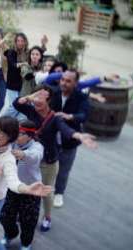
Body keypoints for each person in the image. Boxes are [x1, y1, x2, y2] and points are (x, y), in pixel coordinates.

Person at [13, 86, 98, 232]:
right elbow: (16, 104)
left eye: (42, 97)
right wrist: (28, 97)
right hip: (30, 158)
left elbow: (66, 130)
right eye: (36, 96)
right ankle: (21, 214)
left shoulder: (55, 118)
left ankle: (47, 217)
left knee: (46, 192)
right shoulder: (31, 110)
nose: (37, 100)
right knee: (25, 188)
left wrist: (79, 136)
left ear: (49, 100)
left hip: (48, 162)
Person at [0, 116, 52, 250]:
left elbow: (13, 181)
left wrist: (28, 188)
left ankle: (25, 244)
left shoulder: (11, 156)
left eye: (2, 133)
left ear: (11, 137)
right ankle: (7, 236)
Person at [0, 120, 44, 250]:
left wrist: (23, 154)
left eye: (21, 134)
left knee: (28, 221)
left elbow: (35, 156)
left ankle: (26, 243)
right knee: (4, 215)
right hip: (12, 187)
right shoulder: (11, 144)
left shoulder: (37, 147)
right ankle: (11, 234)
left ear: (30, 136)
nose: (17, 136)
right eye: (16, 133)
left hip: (31, 190)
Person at [49, 70, 89, 208]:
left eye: (68, 81)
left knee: (64, 169)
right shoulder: (53, 92)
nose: (64, 83)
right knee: (46, 165)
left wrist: (69, 116)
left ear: (75, 83)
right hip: (50, 139)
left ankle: (59, 193)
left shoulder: (81, 97)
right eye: (62, 79)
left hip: (69, 141)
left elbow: (84, 115)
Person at [4, 46, 45, 120]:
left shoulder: (43, 67)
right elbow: (27, 76)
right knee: (11, 112)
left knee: (23, 119)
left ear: (40, 56)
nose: (34, 56)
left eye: (37, 54)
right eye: (32, 54)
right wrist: (38, 73)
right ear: (30, 55)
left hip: (36, 98)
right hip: (24, 96)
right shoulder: (25, 65)